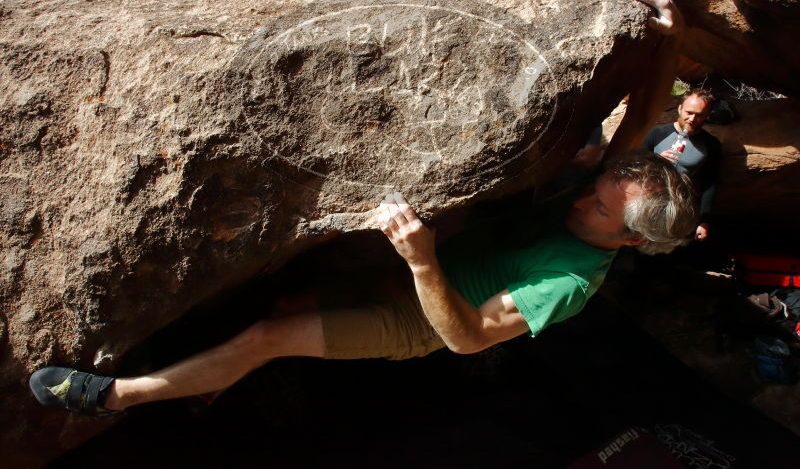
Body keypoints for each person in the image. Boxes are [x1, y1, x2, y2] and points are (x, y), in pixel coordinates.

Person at [29, 151, 698, 416]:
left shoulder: (570, 282)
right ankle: (201, 385)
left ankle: (116, 397)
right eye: (591, 191)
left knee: (269, 335)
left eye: (599, 209)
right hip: (402, 271)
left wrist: (420, 261)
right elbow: (636, 129)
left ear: (632, 239)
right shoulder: (598, 201)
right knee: (285, 305)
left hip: (417, 320)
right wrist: (664, 36)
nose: (580, 201)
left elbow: (467, 340)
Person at [643, 89, 721, 241]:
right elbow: (634, 164)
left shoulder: (711, 145)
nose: (692, 119)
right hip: (649, 205)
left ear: (707, 116)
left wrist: (704, 220)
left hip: (682, 211)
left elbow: (710, 184)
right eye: (689, 112)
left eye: (699, 115)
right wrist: (655, 159)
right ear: (680, 108)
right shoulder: (657, 133)